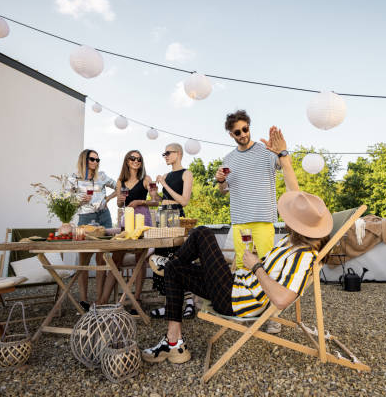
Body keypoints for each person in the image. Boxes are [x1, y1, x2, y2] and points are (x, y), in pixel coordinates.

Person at [142, 127, 332, 364]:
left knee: (202, 233)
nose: (289, 214)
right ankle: (174, 343)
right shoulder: (293, 239)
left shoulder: (304, 255)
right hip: (235, 285)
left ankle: (171, 260)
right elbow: (296, 193)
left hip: (234, 299)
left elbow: (282, 299)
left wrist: (256, 267)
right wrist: (283, 153)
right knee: (174, 271)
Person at [214, 110, 285, 333]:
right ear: (230, 134)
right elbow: (223, 190)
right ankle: (251, 308)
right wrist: (220, 181)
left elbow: (284, 164)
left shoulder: (266, 150)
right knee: (244, 267)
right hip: (240, 220)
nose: (243, 134)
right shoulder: (228, 159)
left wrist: (281, 150)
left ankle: (272, 315)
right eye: (238, 132)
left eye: (246, 129)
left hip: (263, 217)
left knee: (267, 266)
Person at [97, 150, 159, 307]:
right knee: (116, 258)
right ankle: (103, 300)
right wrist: (119, 200)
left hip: (142, 221)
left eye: (139, 158)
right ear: (127, 161)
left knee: (140, 259)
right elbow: (120, 204)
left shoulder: (146, 179)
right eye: (133, 158)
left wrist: (141, 200)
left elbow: (156, 201)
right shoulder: (120, 182)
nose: (136, 161)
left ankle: (136, 299)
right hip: (126, 222)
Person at [148, 143, 195, 319]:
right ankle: (170, 305)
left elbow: (183, 201)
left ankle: (190, 303)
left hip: (176, 216)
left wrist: (164, 185)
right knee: (163, 259)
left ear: (178, 153)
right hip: (163, 215)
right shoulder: (166, 175)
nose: (165, 156)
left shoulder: (186, 173)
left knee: (179, 257)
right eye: (164, 153)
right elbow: (163, 200)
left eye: (168, 153)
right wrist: (154, 195)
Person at [68, 149, 117, 311]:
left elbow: (119, 186)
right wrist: (79, 200)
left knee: (102, 259)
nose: (96, 162)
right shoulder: (74, 179)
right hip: (86, 218)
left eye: (97, 159)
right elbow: (67, 202)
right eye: (92, 159)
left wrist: (107, 199)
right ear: (84, 159)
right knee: (83, 260)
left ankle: (99, 300)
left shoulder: (101, 176)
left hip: (104, 217)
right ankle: (83, 300)